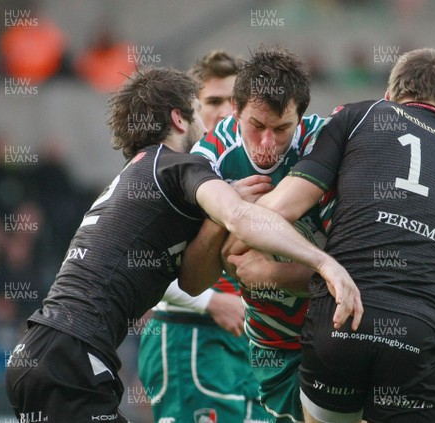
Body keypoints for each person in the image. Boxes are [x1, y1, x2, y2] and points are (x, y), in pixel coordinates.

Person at [4, 66, 362, 423]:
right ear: (179, 118)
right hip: (71, 355)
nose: (208, 127)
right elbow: (240, 217)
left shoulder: (138, 176)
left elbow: (191, 277)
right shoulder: (177, 166)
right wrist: (324, 264)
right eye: (198, 112)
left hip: (45, 350)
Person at [225, 48, 435, 422]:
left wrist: (239, 239)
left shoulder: (361, 115)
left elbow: (281, 208)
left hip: (343, 321)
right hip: (419, 333)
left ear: (390, 94)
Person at [179, 45, 329, 423]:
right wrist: (223, 214)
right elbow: (193, 281)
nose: (267, 144)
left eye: (281, 129)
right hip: (272, 342)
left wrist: (269, 270)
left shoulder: (328, 144)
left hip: (333, 329)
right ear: (235, 109)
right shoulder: (209, 156)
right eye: (256, 126)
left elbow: (353, 272)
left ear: (301, 118)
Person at [137, 50, 272, 423]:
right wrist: (210, 302)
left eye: (235, 102)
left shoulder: (253, 167)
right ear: (190, 110)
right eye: (213, 101)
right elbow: (137, 261)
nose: (226, 112)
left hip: (249, 345)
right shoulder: (170, 171)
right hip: (191, 336)